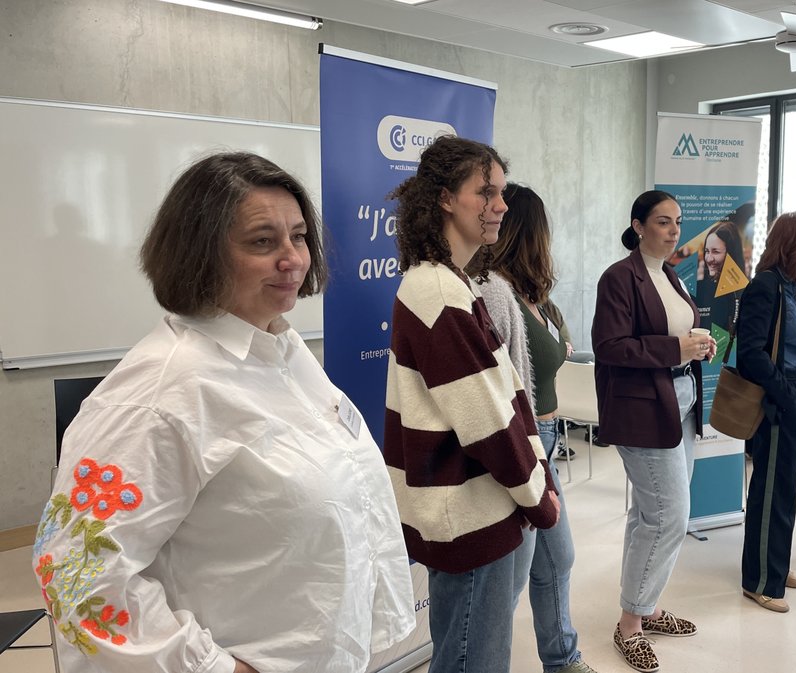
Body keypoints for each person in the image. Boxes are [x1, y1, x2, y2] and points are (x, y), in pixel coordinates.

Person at [31, 151, 416, 673]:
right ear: (200, 252)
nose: (293, 258)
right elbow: (73, 571)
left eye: (299, 236)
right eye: (262, 241)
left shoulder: (283, 350)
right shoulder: (160, 392)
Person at [382, 136, 559, 673]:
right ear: (443, 199)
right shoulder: (439, 294)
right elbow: (489, 422)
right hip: (469, 518)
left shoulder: (451, 284)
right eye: (486, 192)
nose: (500, 205)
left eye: (501, 192)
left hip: (476, 512)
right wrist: (539, 496)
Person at [466, 183, 597, 673]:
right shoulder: (495, 294)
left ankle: (562, 658)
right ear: (531, 231)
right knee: (512, 579)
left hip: (546, 441)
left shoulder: (534, 297)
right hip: (521, 447)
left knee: (557, 560)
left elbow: (556, 346)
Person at [592, 190, 715, 673]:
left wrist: (695, 349)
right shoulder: (619, 278)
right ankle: (630, 625)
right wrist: (674, 348)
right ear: (639, 225)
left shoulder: (670, 276)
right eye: (663, 222)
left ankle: (647, 605)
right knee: (669, 517)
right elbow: (611, 346)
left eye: (678, 222)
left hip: (680, 402)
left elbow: (674, 340)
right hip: (642, 409)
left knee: (649, 513)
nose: (673, 231)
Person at [737, 212, 796, 612]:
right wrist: (786, 393)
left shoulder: (793, 287)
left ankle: (778, 564)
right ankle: (759, 580)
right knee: (769, 492)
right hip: (778, 400)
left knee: (785, 488)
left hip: (795, 392)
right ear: (794, 246)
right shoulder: (766, 287)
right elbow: (751, 353)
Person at [694, 220, 745, 344]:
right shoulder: (703, 287)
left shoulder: (742, 293)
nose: (709, 258)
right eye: (707, 251)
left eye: (716, 252)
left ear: (731, 254)